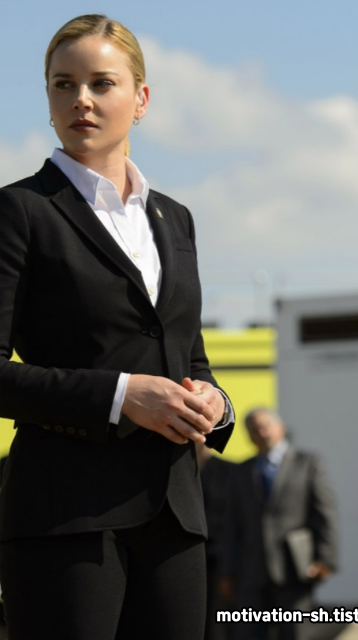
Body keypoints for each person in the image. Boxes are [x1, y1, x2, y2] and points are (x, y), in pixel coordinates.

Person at [0, 14, 235, 640]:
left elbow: (190, 358)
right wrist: (121, 395)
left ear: (141, 99)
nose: (81, 99)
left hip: (175, 517)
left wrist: (215, 404)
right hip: (64, 519)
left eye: (101, 83)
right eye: (63, 84)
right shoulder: (20, 211)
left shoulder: (176, 220)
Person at [219, 408, 339, 640]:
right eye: (254, 429)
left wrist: (325, 559)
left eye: (265, 426)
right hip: (251, 571)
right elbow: (232, 524)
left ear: (280, 427)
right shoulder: (241, 471)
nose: (261, 432)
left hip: (294, 567)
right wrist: (227, 571)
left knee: (295, 632)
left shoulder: (308, 463)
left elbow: (325, 514)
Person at [196, 443, 235, 640]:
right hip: (185, 554)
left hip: (217, 556)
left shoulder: (229, 471)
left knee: (216, 618)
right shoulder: (177, 469)